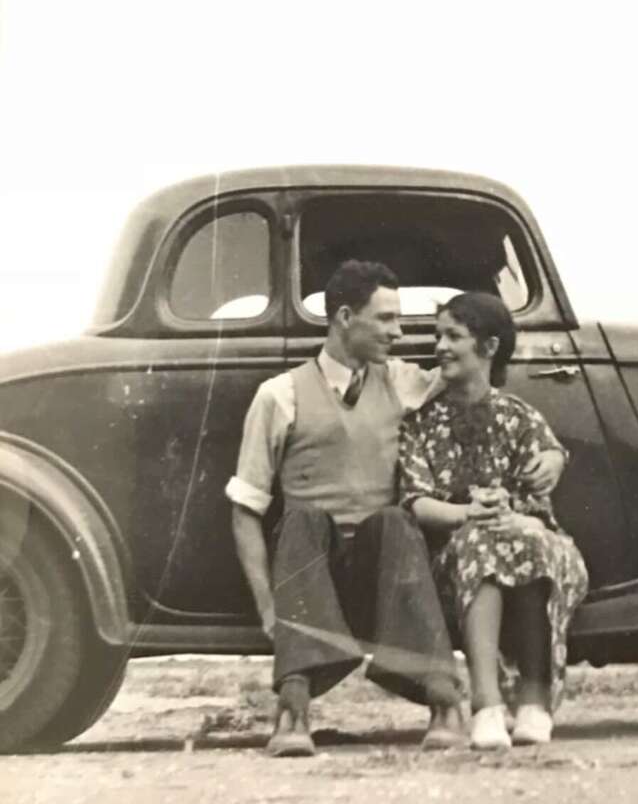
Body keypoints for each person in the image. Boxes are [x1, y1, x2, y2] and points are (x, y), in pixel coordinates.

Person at [226, 261, 566, 757]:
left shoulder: (405, 381)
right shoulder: (278, 397)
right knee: (299, 520)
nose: (399, 332)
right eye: (384, 319)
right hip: (309, 576)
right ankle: (293, 706)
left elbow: (475, 380)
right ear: (344, 317)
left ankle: (443, 698)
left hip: (381, 574)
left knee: (395, 518)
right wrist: (266, 607)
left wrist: (552, 455)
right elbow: (245, 509)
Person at [398, 292, 588, 750]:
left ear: (488, 348)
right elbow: (416, 502)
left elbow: (540, 503)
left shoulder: (520, 418)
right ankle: (486, 706)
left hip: (527, 540)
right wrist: (469, 515)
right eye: (438, 336)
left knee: (528, 542)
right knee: (485, 543)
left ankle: (534, 704)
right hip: (455, 552)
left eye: (453, 336)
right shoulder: (421, 423)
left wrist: (534, 495)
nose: (440, 346)